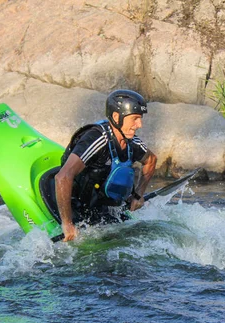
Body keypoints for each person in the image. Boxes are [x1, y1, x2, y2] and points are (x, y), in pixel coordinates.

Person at [55, 89, 157, 241]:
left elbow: (151, 161)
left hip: (102, 207)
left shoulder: (132, 142)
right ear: (117, 117)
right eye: (135, 118)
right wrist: (67, 223)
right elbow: (63, 177)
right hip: (76, 203)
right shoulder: (96, 139)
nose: (139, 124)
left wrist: (138, 195)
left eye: (140, 119)